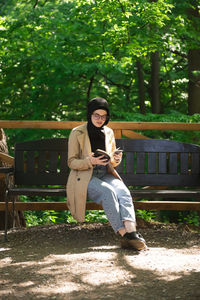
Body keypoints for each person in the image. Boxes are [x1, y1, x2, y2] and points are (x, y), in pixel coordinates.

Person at [66, 97, 147, 251]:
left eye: (103, 116)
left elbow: (110, 161)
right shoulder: (77, 132)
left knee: (123, 191)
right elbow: (71, 162)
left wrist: (116, 159)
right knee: (108, 192)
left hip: (105, 173)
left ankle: (132, 232)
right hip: (84, 176)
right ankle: (125, 235)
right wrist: (90, 162)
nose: (100, 119)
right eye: (96, 115)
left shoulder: (108, 132)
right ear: (90, 115)